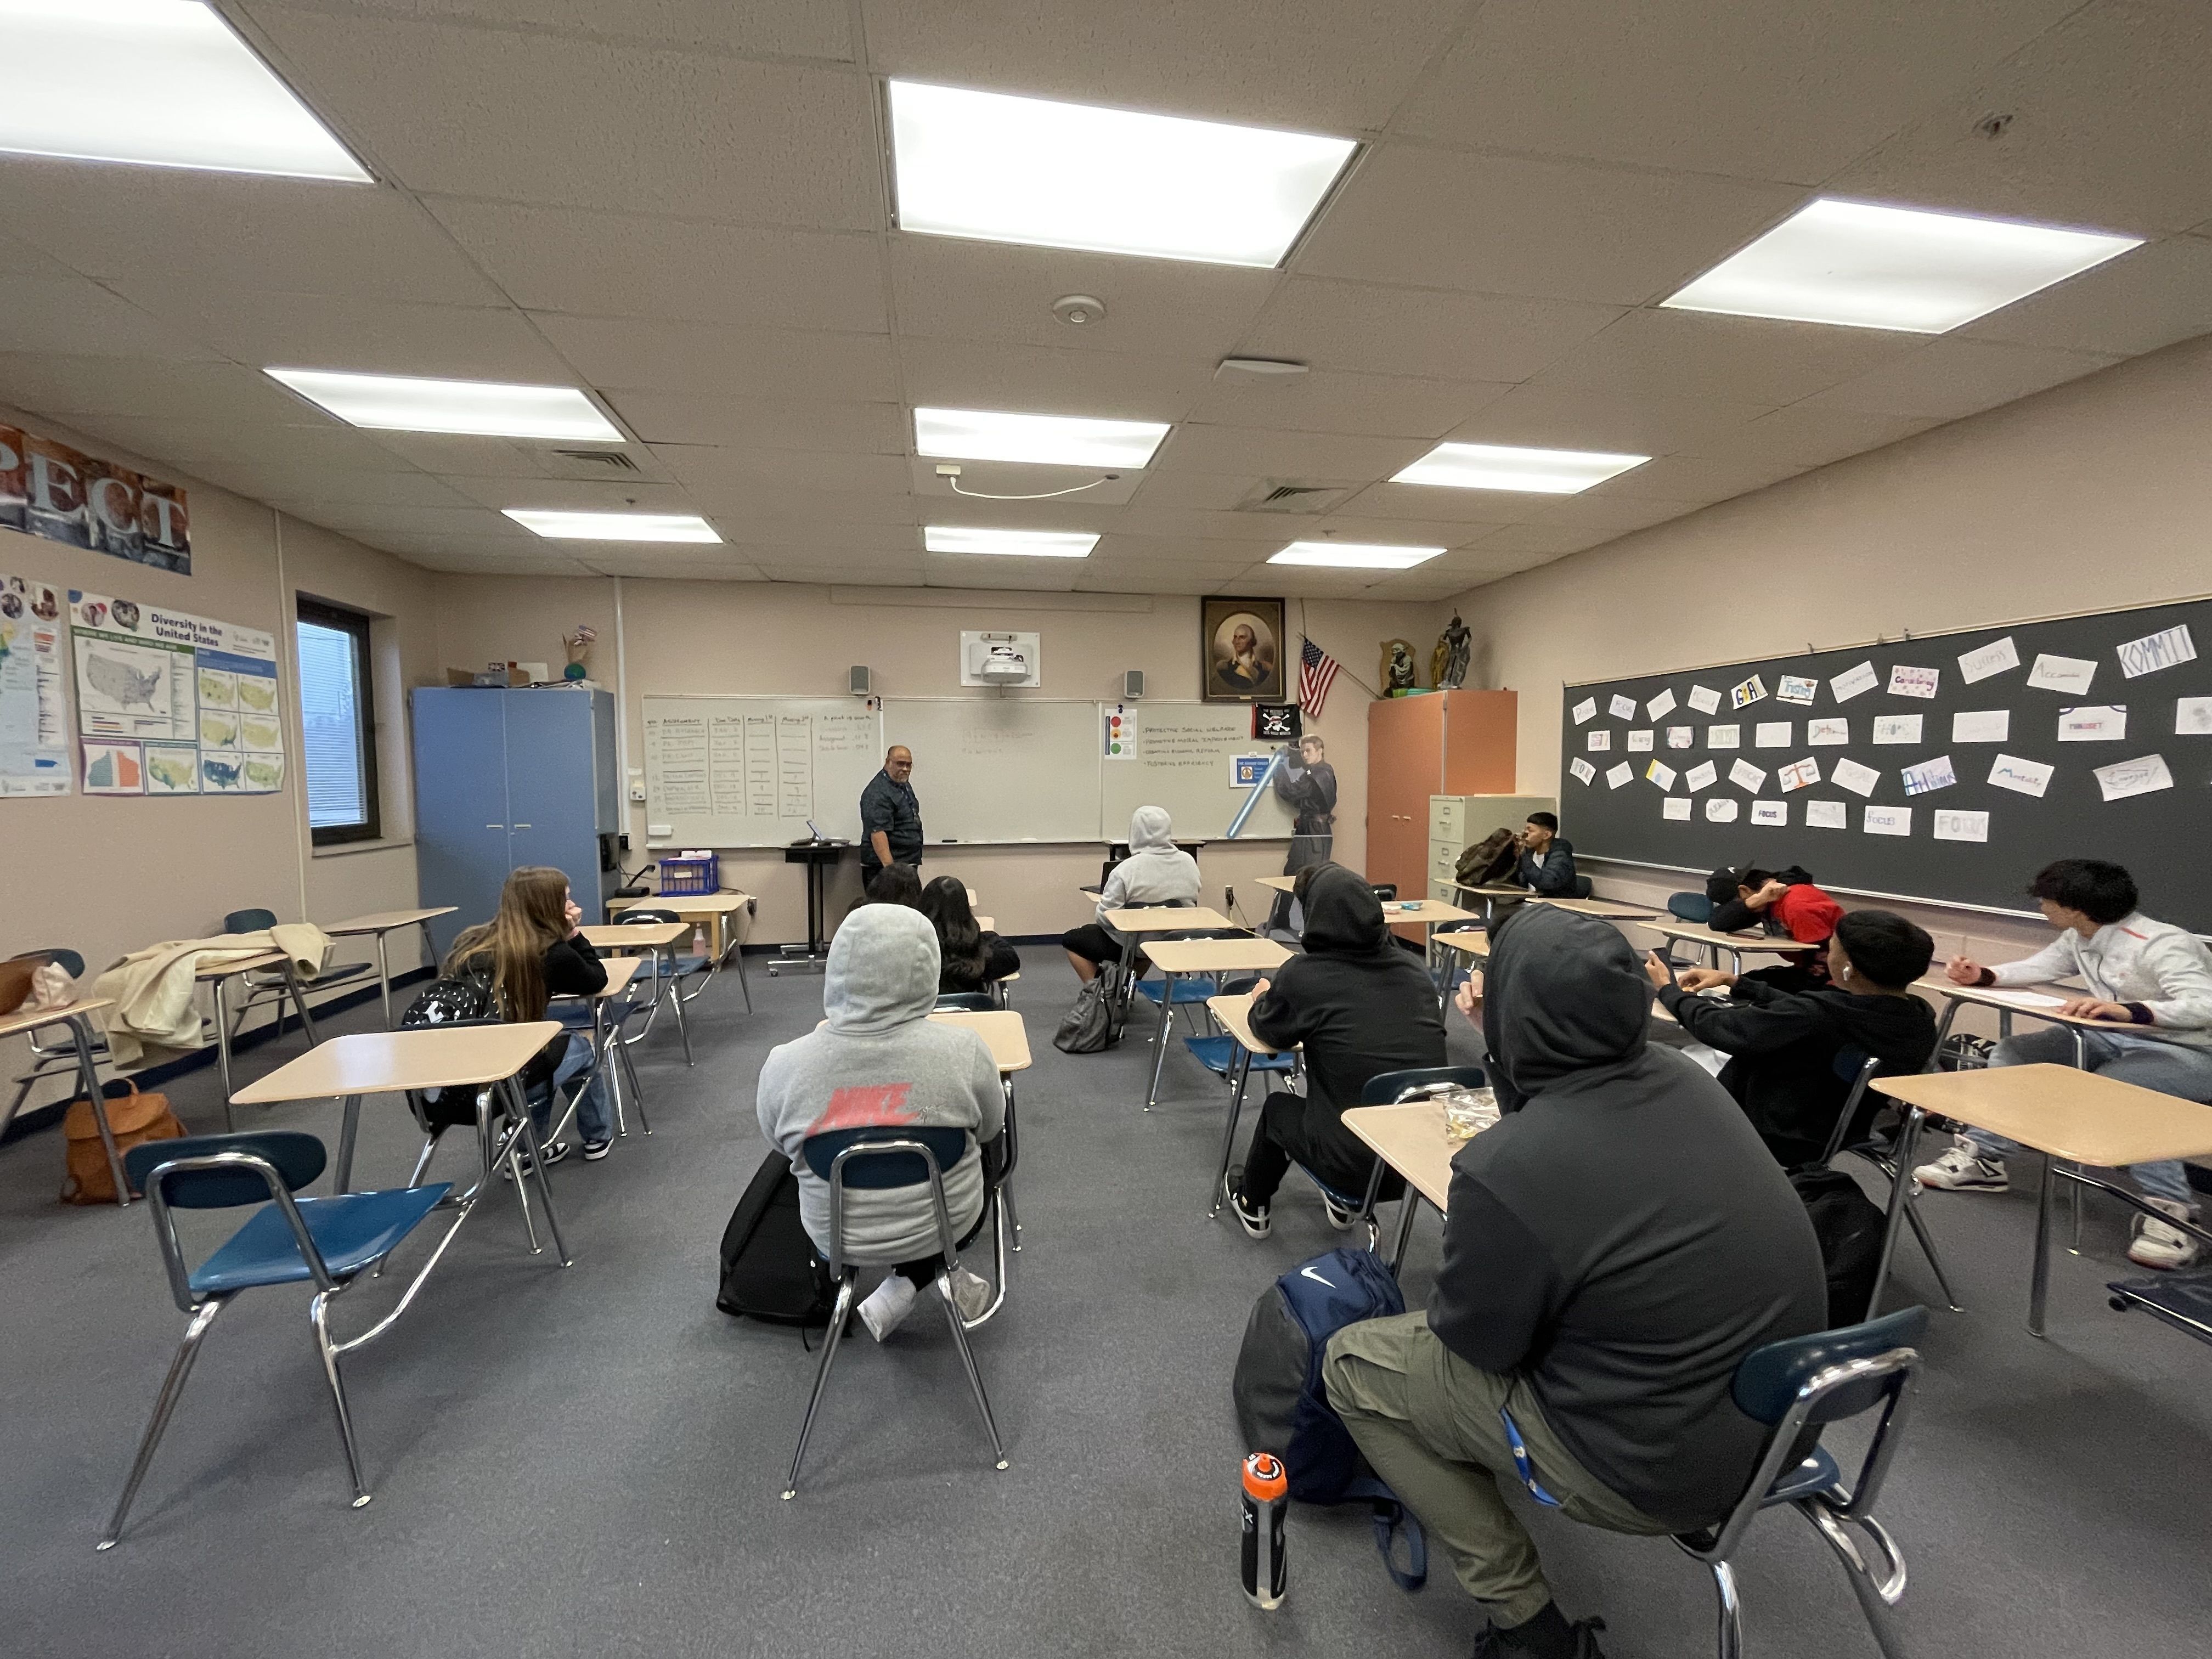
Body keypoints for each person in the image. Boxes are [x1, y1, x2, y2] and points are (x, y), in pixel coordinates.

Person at [1324, 905, 1827, 1659]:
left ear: (1516, 1017)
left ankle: (1527, 1625)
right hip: (1775, 1429)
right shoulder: (1688, 1081)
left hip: (1644, 1467)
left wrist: (1498, 1046)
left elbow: (1478, 1343)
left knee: (1356, 1364)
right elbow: (1573, 1122)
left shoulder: (1508, 1167)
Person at [1913, 858, 2212, 1269]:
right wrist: (1983, 975)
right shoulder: (2080, 936)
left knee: (2121, 1089)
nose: (2042, 908)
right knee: (2015, 1053)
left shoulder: (2164, 943)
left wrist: (2130, 1012)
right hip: (2117, 1037)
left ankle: (2173, 1215)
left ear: (2074, 907)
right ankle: (1985, 1158)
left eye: (2047, 901)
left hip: (2190, 1052)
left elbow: (2204, 1005)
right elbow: (2041, 967)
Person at [755, 904, 1006, 1340]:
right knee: (986, 1136)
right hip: (948, 1226)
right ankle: (919, 1275)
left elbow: (778, 1146)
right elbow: (989, 1131)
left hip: (837, 1237)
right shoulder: (966, 1052)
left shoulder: (785, 1065)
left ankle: (898, 1280)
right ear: (928, 968)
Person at [1223, 864, 1447, 1235]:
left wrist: (1262, 997)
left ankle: (1252, 1202)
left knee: (1279, 1108)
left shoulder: (1306, 975)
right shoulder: (1415, 972)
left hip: (1352, 1165)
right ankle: (1342, 1206)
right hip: (1421, 1165)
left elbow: (1270, 1033)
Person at [1647, 908, 1937, 1168]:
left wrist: (1667, 990)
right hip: (1844, 1131)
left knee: (1668, 1060)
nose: (1827, 956)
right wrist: (1738, 983)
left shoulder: (1815, 1017)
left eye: (1832, 949)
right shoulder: (1919, 1019)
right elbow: (1811, 1014)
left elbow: (1719, 1026)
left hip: (1771, 1133)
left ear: (1849, 967)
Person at [443, 865, 619, 1164]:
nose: (571, 904)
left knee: (545, 1051)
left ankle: (528, 1150)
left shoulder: (471, 942)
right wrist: (573, 933)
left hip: (456, 1073)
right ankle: (596, 1137)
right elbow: (596, 980)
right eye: (565, 899)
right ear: (547, 906)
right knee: (579, 1049)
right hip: (511, 1071)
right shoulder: (551, 953)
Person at [1061, 805, 1202, 984]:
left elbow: (1105, 918)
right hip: (1172, 940)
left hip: (1134, 944)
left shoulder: (1127, 870)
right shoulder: (1189, 862)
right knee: (1149, 936)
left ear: (1135, 832)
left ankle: (1100, 992)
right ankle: (1126, 984)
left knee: (1073, 939)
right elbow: (1191, 902)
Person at [1703, 863, 1842, 989]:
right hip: (1808, 971)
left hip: (1834, 980)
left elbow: (1824, 960)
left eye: (1735, 903)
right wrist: (1754, 901)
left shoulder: (1797, 904)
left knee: (1747, 990)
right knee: (1740, 984)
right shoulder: (1765, 903)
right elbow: (1718, 923)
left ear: (1745, 891)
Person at [1268, 734, 1337, 930]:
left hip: (1315, 833)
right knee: (1292, 874)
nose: (1305, 755)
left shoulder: (1320, 774)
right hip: (1310, 830)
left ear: (1320, 751)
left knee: (1311, 879)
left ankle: (1313, 925)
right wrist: (1291, 753)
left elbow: (1291, 791)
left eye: (1308, 751)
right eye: (1303, 751)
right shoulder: (1318, 771)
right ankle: (1283, 918)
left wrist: (1279, 766)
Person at [921, 876, 1020, 995]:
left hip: (924, 1012)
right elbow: (1012, 959)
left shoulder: (916, 950)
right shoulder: (978, 952)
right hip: (973, 1008)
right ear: (966, 910)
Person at [859, 744, 922, 882]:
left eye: (909, 765)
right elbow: (878, 833)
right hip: (885, 869)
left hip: (905, 864)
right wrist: (890, 872)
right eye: (900, 764)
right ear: (888, 762)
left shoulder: (902, 784)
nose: (905, 769)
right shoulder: (877, 792)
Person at [1511, 812, 1579, 898]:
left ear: (1546, 835)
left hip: (1552, 907)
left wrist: (1523, 856)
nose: (1525, 834)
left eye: (1530, 830)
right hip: (1528, 904)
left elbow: (1547, 882)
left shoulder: (1561, 856)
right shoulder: (1529, 852)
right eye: (1525, 830)